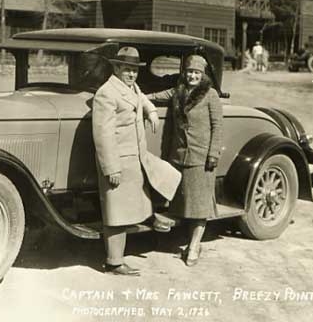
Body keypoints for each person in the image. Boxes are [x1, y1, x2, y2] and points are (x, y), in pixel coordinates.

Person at [92, 46, 173, 276]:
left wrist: (152, 111)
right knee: (116, 213)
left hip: (135, 157)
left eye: (134, 70)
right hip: (118, 161)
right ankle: (114, 263)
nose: (131, 74)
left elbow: (140, 98)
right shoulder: (107, 93)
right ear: (116, 68)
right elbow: (103, 134)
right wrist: (111, 168)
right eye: (127, 69)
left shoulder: (130, 87)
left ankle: (151, 217)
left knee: (163, 177)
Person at [148, 55, 223, 266]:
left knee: (199, 206)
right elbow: (157, 96)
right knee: (184, 204)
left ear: (203, 75)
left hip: (202, 157)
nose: (192, 76)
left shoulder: (210, 95)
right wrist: (139, 97)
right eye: (189, 72)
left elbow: (217, 126)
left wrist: (213, 154)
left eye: (197, 73)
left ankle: (193, 246)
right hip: (179, 156)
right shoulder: (178, 91)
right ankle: (189, 240)